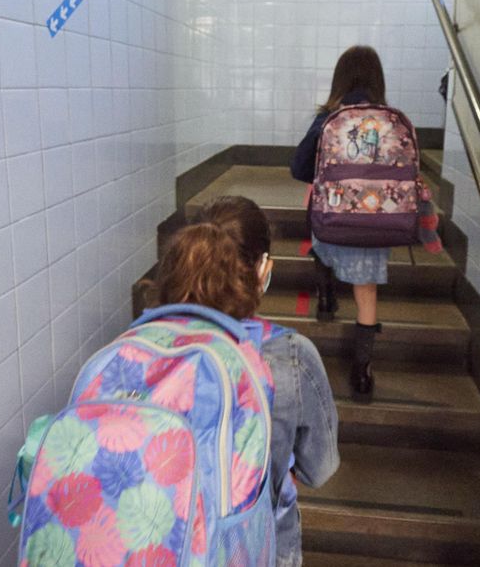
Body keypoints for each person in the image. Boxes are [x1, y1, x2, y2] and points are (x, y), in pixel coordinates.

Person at [158, 196, 339, 567]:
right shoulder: (290, 357)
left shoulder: (143, 350)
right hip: (251, 548)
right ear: (262, 270)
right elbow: (318, 467)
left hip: (153, 547)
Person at [290, 45, 389, 397]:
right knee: (367, 292)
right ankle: (363, 373)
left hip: (332, 220)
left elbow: (299, 168)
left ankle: (325, 297)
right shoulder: (389, 121)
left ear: (339, 78)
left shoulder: (327, 119)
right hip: (375, 224)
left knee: (317, 227)